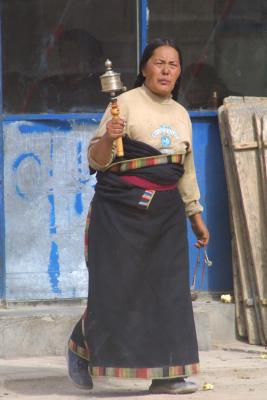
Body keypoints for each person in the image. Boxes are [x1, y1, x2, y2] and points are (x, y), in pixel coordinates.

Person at [67, 38, 210, 395]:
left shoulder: (180, 114)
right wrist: (108, 137)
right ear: (145, 68)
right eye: (158, 62)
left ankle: (167, 373)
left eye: (173, 65)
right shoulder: (123, 105)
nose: (165, 70)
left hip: (165, 215)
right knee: (118, 289)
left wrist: (195, 214)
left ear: (179, 73)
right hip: (120, 212)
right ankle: (81, 347)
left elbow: (185, 169)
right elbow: (97, 160)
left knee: (168, 292)